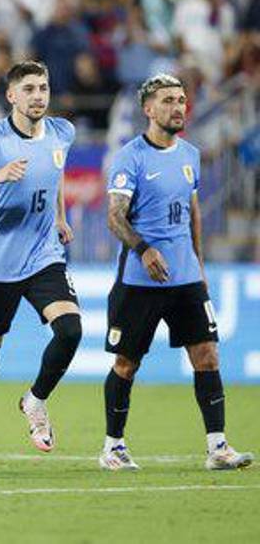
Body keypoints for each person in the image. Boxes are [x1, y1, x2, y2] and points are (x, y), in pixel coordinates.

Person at [100, 74, 253, 471]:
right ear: (148, 110)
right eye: (168, 100)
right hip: (140, 279)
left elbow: (193, 212)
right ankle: (113, 447)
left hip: (185, 277)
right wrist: (144, 249)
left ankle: (217, 447)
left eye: (182, 100)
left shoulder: (190, 155)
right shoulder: (130, 157)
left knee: (207, 356)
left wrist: (199, 265)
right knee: (127, 364)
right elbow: (114, 216)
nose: (178, 107)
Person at [0, 61, 82, 473]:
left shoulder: (63, 132)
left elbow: (54, 173)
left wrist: (59, 216)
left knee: (70, 330)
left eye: (43, 87)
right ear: (11, 96)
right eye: (29, 89)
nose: (38, 95)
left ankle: (35, 400)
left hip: (43, 255)